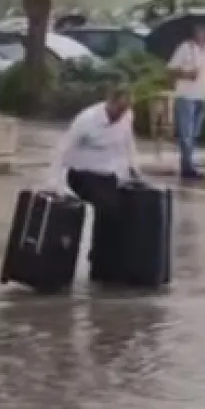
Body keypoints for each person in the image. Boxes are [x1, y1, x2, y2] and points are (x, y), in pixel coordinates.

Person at [46, 85, 140, 273]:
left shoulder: (127, 117)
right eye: (118, 110)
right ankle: (97, 254)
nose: (120, 116)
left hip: (107, 173)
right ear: (109, 102)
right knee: (106, 206)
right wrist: (54, 182)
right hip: (82, 173)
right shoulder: (87, 120)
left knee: (120, 211)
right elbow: (63, 149)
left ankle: (104, 256)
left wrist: (133, 168)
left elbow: (128, 142)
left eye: (125, 110)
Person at [167, 23, 205, 181]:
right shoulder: (185, 48)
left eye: (204, 33)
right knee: (186, 133)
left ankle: (189, 163)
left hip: (201, 95)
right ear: (193, 34)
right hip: (186, 96)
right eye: (198, 33)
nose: (201, 36)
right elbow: (171, 69)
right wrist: (186, 74)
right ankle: (188, 166)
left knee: (195, 133)